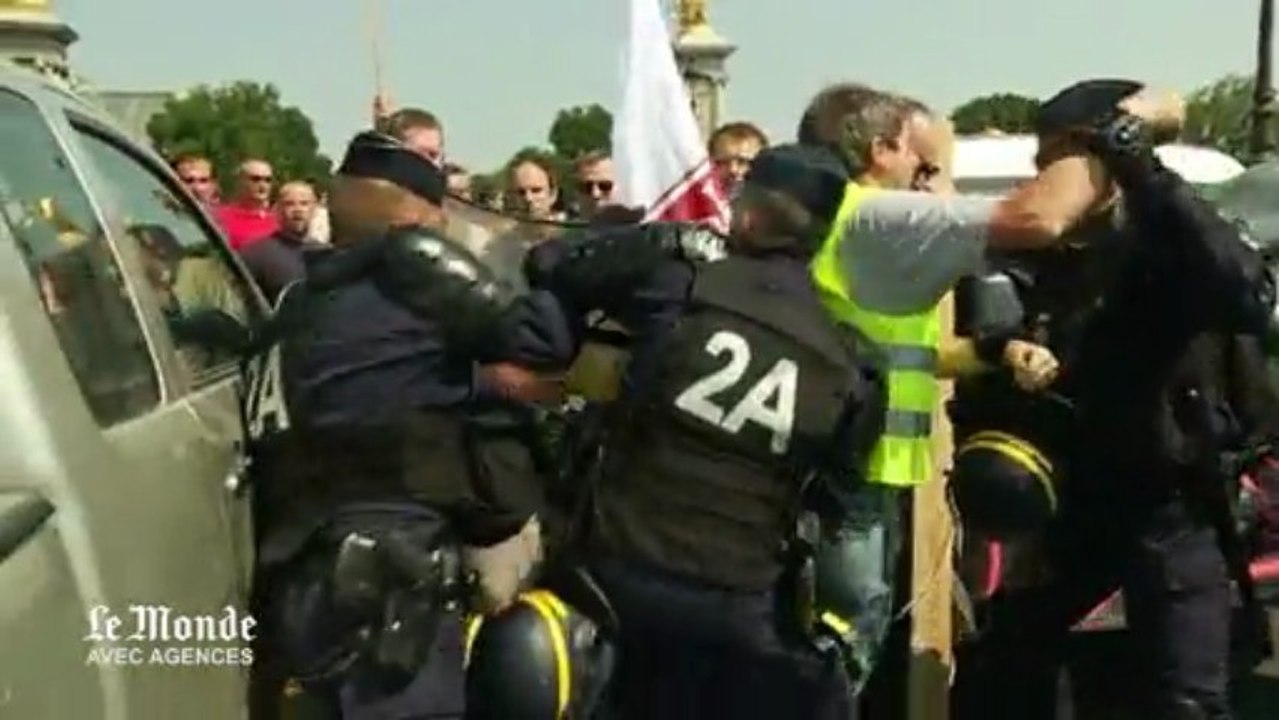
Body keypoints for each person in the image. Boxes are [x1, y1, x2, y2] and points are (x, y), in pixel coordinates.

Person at [486, 143, 889, 719]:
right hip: (742, 611)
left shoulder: (677, 279)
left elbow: (553, 266)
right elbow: (836, 503)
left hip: (614, 583)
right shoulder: (853, 364)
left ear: (746, 215)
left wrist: (661, 242)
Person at [950, 79, 1275, 720]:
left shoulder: (1166, 236)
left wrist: (1142, 166)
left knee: (1186, 697)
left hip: (1172, 501)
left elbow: (1245, 292)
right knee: (1007, 674)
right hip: (1069, 497)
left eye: (1060, 162)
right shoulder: (1032, 249)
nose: (1047, 178)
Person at [244, 131, 545, 720]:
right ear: (415, 215)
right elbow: (537, 342)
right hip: (389, 582)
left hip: (301, 571)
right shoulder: (418, 295)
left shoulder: (301, 302)